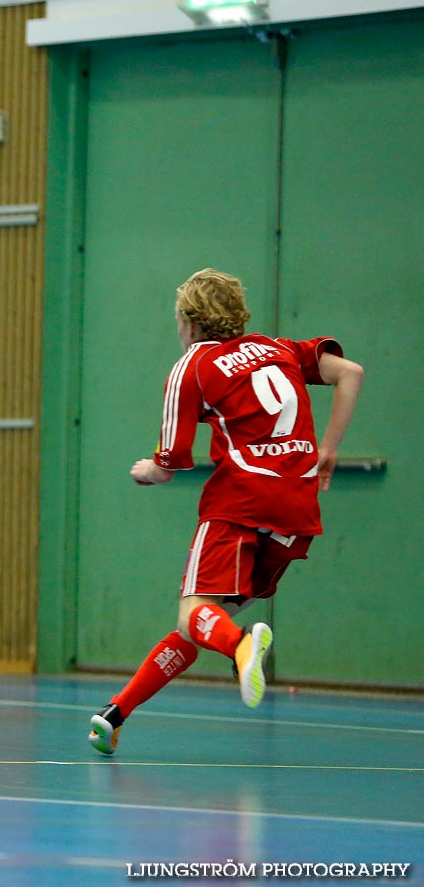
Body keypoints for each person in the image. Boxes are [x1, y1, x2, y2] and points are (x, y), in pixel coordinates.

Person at [88, 268, 364, 756]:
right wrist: (330, 449)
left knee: (198, 615)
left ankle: (241, 645)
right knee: (197, 623)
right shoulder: (281, 348)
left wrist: (146, 470)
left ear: (190, 323)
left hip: (239, 502)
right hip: (296, 510)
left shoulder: (193, 366)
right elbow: (351, 373)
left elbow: (172, 463)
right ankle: (115, 715)